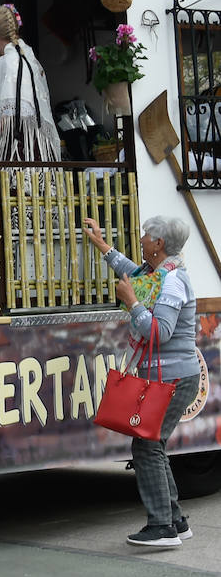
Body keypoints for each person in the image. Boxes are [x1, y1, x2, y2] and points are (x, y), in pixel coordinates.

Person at [83, 215, 198, 547]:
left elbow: (159, 333)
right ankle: (174, 520)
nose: (143, 239)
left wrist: (132, 304)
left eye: (147, 236)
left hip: (173, 378)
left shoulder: (173, 282)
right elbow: (131, 271)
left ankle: (162, 526)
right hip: (172, 377)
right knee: (153, 445)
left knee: (147, 446)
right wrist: (103, 245)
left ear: (159, 244)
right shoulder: (157, 275)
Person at [0, 4, 61, 161]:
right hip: (37, 148)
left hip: (19, 150)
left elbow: (11, 115)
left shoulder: (9, 61)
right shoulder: (26, 58)